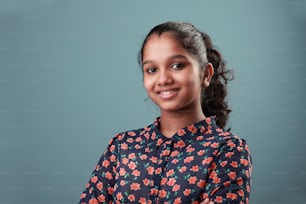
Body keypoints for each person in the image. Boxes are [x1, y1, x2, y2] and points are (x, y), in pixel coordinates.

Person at [79, 21, 252, 204]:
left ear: (205, 74)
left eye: (177, 65)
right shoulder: (122, 147)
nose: (163, 79)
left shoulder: (227, 150)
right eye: (152, 70)